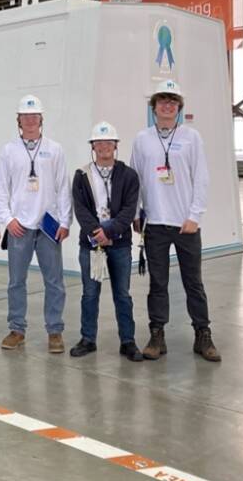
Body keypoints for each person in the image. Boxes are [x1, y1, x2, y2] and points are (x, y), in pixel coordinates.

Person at [130, 80, 220, 362]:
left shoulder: (191, 137)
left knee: (193, 282)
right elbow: (135, 179)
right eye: (162, 101)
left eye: (172, 101)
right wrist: (136, 213)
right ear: (154, 107)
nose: (167, 106)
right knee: (158, 283)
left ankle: (202, 334)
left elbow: (202, 178)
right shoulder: (142, 139)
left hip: (185, 225)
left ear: (179, 108)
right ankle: (157, 334)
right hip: (155, 224)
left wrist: (194, 216)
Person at [0, 94, 72, 353]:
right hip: (20, 228)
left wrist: (65, 221)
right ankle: (17, 329)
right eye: (25, 116)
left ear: (41, 119)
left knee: (55, 281)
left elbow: (63, 187)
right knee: (16, 281)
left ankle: (55, 331)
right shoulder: (9, 150)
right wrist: (8, 220)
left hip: (48, 227)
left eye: (34, 115)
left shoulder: (54, 149)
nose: (29, 120)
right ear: (19, 120)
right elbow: (0, 190)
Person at [69, 121, 143, 362]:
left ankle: (128, 341)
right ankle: (88, 339)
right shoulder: (82, 175)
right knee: (90, 294)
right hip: (91, 244)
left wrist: (109, 232)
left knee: (122, 294)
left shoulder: (129, 175)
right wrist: (97, 233)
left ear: (115, 145)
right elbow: (80, 210)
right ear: (93, 146)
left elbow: (129, 209)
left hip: (120, 245)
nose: (103, 146)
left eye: (108, 142)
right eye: (98, 142)